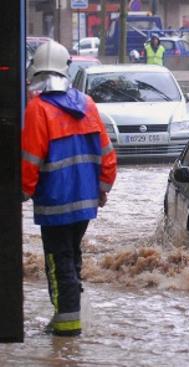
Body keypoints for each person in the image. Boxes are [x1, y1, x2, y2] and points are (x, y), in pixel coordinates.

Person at [22, 41, 117, 337]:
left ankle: (67, 324)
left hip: (54, 202)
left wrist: (22, 192)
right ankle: (72, 313)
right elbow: (108, 156)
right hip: (85, 203)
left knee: (57, 259)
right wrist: (102, 189)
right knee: (72, 256)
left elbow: (30, 160)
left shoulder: (38, 109)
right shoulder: (87, 104)